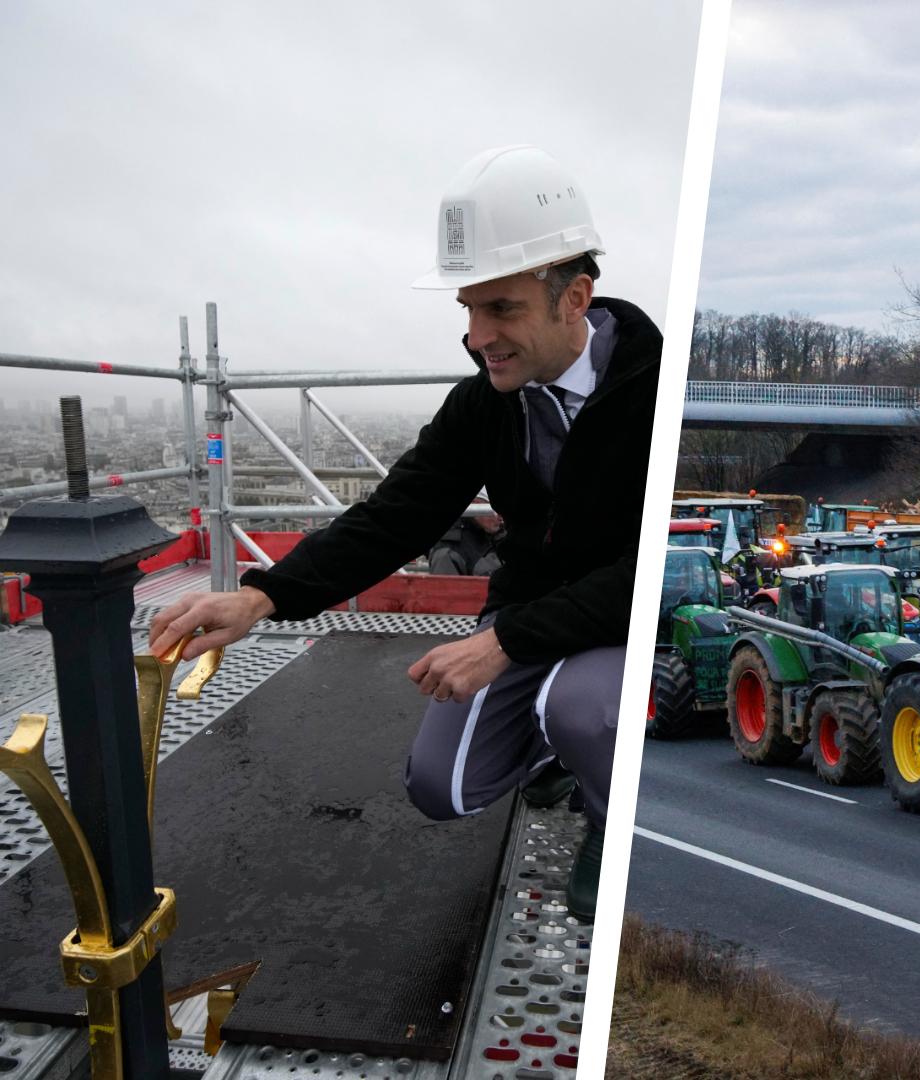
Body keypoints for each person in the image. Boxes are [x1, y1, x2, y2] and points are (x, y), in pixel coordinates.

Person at [147, 145, 660, 923]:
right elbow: (397, 514)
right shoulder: (487, 402)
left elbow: (642, 570)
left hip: (619, 622)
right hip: (534, 611)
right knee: (440, 788)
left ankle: (605, 812)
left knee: (583, 708)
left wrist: (505, 643)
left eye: (502, 310)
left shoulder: (655, 392)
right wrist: (262, 597)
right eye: (469, 310)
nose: (477, 335)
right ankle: (554, 747)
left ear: (575, 297)